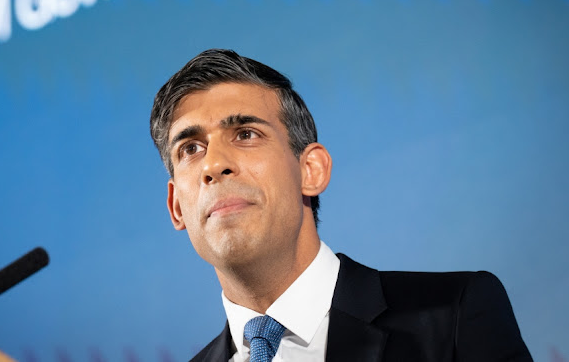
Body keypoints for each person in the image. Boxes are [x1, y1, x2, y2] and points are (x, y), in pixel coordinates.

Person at [149, 49, 532, 362]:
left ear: (310, 170)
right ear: (176, 207)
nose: (214, 164)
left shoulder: (453, 316)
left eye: (246, 134)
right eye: (191, 149)